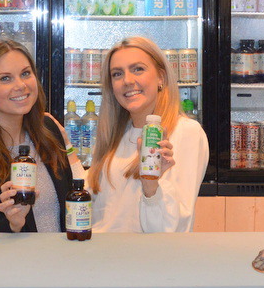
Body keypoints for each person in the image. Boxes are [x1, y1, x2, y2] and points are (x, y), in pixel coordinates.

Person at [0, 39, 79, 233]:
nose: (20, 85)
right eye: (5, 78)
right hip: (7, 254)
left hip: (59, 252)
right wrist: (13, 224)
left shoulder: (49, 131)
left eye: (25, 73)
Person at [86, 36, 209, 232]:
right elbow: (98, 207)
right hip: (101, 250)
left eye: (138, 69)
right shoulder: (115, 135)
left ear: (161, 77)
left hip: (147, 252)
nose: (127, 80)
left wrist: (151, 185)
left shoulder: (186, 133)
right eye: (117, 74)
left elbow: (174, 227)